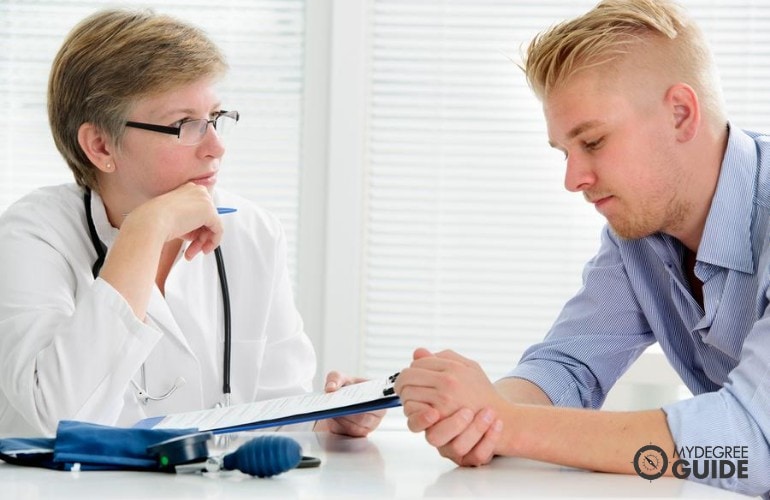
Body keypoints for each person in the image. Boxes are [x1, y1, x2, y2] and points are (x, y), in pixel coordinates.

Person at [394, 0, 770, 496]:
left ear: (681, 114)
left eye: (592, 142)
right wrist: (475, 417)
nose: (574, 180)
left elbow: (750, 449)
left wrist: (511, 425)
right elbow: (568, 366)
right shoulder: (638, 231)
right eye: (564, 152)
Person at [0, 8, 383, 439]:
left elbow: (277, 405)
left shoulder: (252, 232)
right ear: (101, 145)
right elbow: (56, 418)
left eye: (216, 119)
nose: (216, 148)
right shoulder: (33, 237)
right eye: (186, 125)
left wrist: (323, 418)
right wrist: (144, 230)